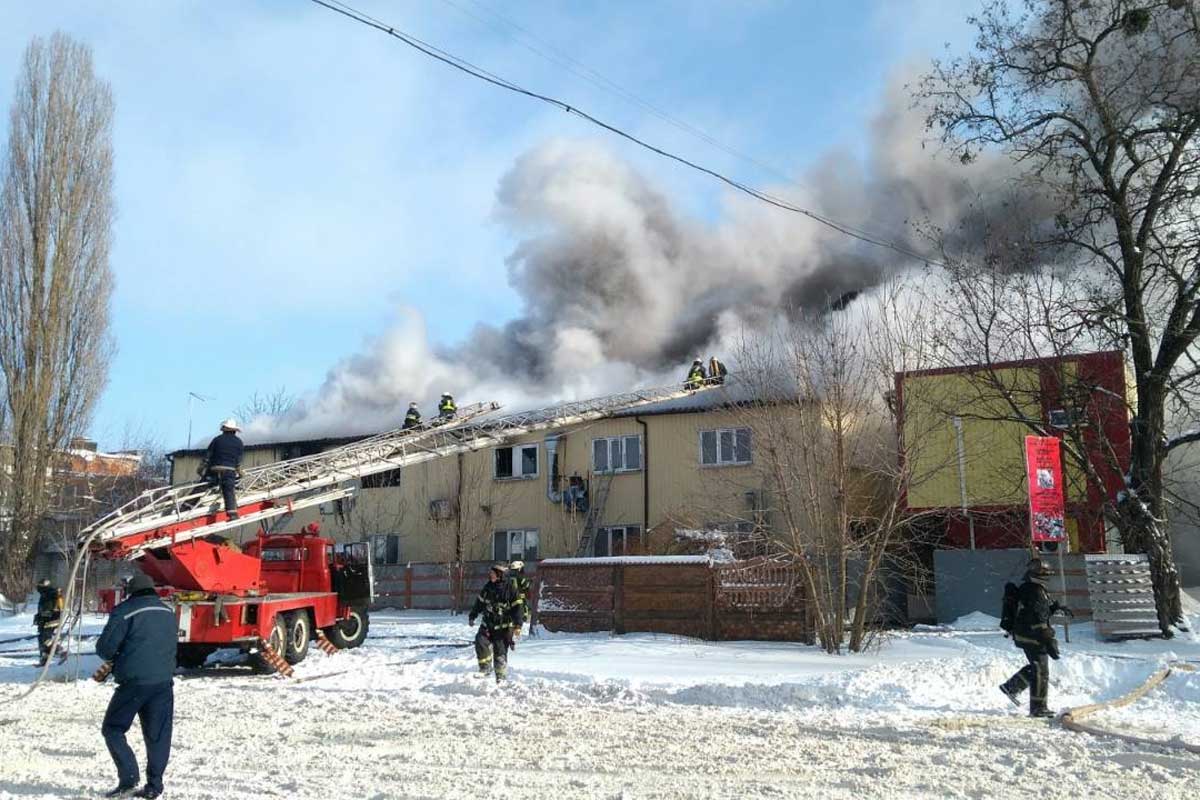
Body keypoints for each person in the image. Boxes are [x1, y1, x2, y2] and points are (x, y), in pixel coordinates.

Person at [95, 573, 177, 799]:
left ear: (131, 591)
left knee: (113, 729)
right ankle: (154, 787)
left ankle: (129, 778)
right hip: (163, 684)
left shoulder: (125, 611)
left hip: (133, 683)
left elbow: (105, 649)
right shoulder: (168, 612)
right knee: (158, 736)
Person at [1000, 559, 1072, 718]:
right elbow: (1038, 621)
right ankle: (1038, 708)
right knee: (1041, 670)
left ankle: (1011, 687)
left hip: (1025, 634)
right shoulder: (1035, 592)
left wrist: (1055, 608)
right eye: (1045, 573)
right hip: (1031, 636)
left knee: (1036, 667)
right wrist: (1049, 640)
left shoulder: (1030, 589)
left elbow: (1036, 613)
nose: (1048, 576)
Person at [468, 564, 523, 682]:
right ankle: (485, 668)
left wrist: (518, 625)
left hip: (503, 628)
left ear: (500, 574)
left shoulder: (511, 589)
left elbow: (518, 608)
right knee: (480, 641)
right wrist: (472, 616)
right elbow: (479, 603)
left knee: (500, 653)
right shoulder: (488, 588)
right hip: (488, 624)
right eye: (490, 573)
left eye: (493, 573)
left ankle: (501, 679)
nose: (490, 575)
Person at [197, 418, 244, 518]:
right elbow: (238, 461)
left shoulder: (217, 439)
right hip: (229, 471)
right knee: (229, 490)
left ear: (223, 429)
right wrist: (240, 472)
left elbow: (208, 456)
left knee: (201, 487)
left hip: (214, 469)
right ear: (235, 430)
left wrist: (201, 469)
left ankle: (186, 506)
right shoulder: (239, 442)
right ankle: (232, 514)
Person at [34, 579, 63, 666]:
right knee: (41, 639)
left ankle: (60, 651)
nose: (38, 588)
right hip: (44, 621)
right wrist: (38, 617)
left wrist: (57, 591)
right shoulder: (43, 595)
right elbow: (42, 609)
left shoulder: (50, 592)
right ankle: (44, 659)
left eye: (39, 586)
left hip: (52, 619)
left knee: (45, 639)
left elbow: (55, 597)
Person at [509, 560, 532, 634]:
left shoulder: (507, 576)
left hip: (509, 597)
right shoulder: (520, 576)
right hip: (519, 597)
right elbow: (525, 585)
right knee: (523, 611)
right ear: (519, 568)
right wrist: (530, 582)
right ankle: (519, 627)